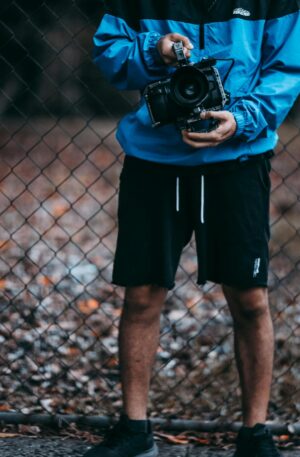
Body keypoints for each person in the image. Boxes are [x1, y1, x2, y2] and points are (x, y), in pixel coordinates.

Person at [84, 1, 300, 456]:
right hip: (154, 160)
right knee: (141, 293)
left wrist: (242, 118)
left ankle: (255, 434)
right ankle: (135, 429)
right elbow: (108, 51)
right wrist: (155, 50)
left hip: (239, 160)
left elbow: (286, 67)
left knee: (250, 298)